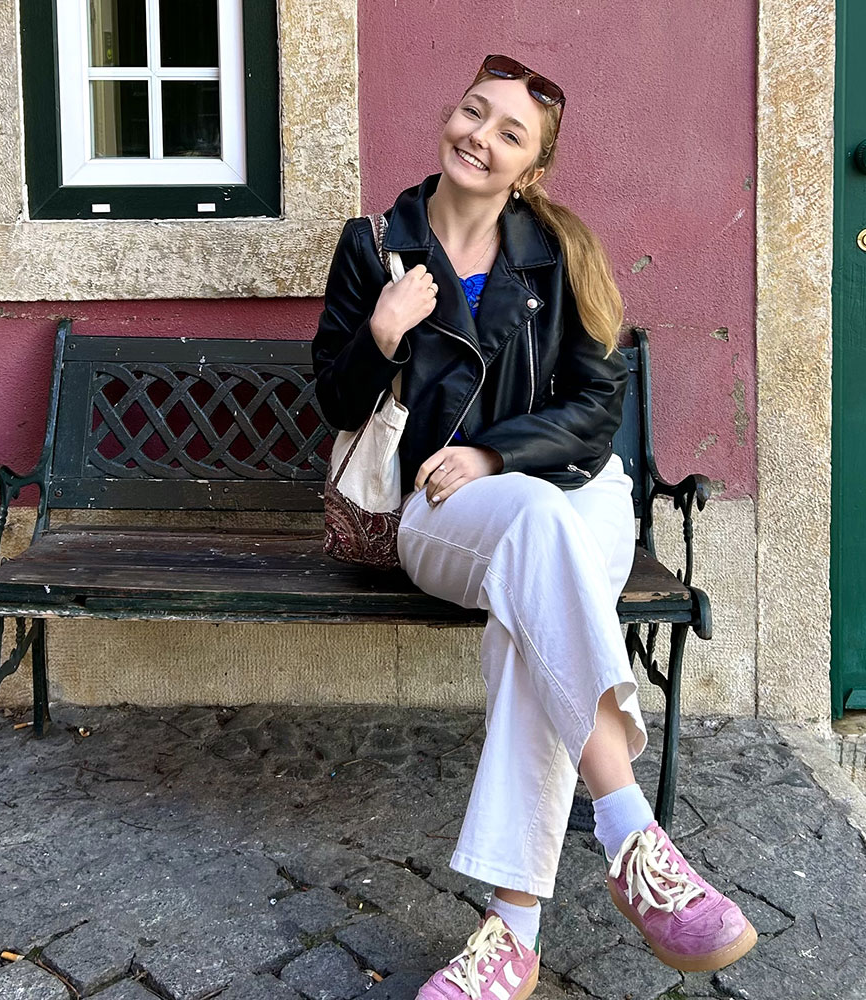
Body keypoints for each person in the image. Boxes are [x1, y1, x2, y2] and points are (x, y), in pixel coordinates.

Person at [312, 53, 757, 1000]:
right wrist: (384, 332)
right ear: (450, 115)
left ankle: (512, 935)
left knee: (534, 606)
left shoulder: (561, 252)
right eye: (474, 113)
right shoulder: (373, 244)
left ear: (531, 167)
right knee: (533, 545)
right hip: (436, 510)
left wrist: (497, 452)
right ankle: (632, 833)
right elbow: (335, 401)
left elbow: (596, 409)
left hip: (569, 488)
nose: (481, 135)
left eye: (509, 132)